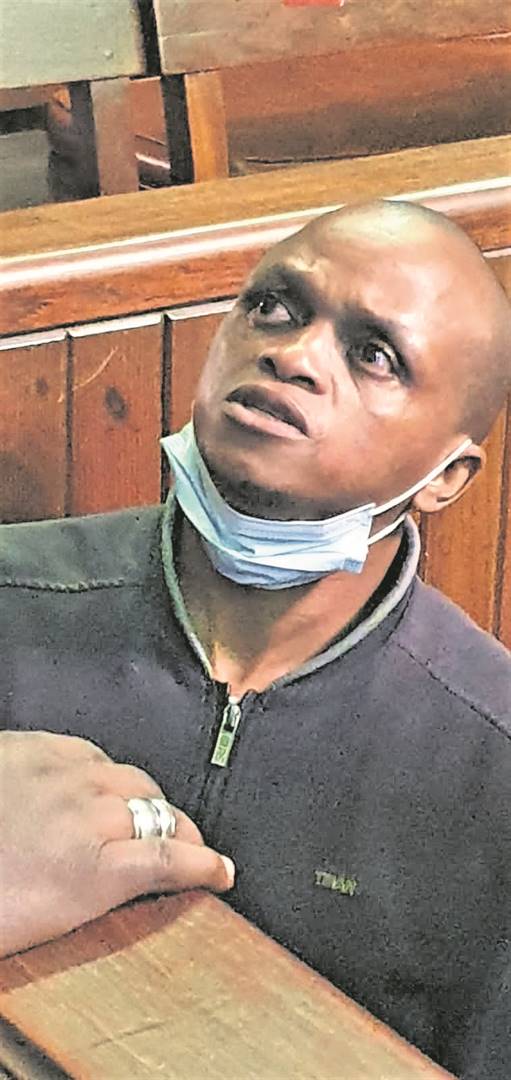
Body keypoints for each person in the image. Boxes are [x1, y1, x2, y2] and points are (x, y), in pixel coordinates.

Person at [1, 199, 510, 1078]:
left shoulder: (488, 765)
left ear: (446, 477)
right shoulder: (13, 599)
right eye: (273, 307)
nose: (294, 354)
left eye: (374, 355)